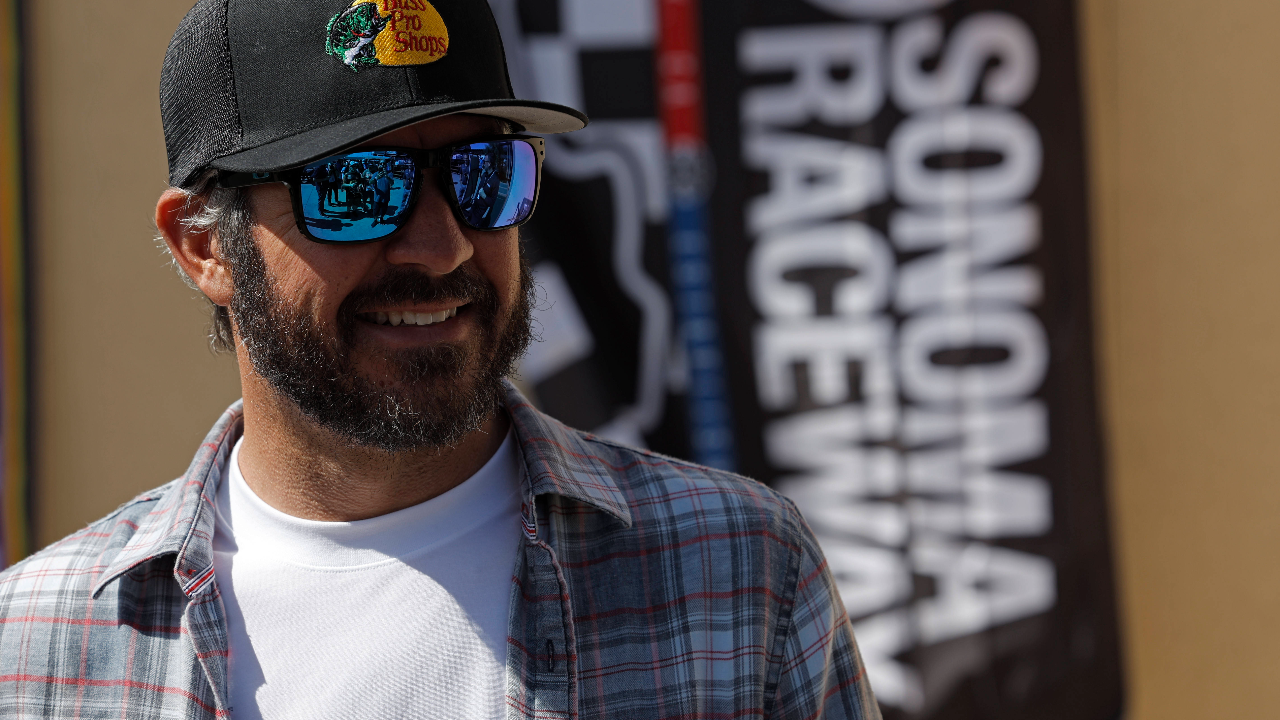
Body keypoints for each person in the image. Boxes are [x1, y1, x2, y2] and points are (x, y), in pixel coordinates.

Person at [0, 1, 881, 719]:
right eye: (356, 187)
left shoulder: (739, 572)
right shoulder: (37, 647)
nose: (442, 245)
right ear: (204, 246)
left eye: (483, 174)